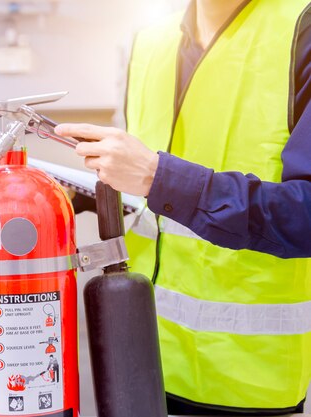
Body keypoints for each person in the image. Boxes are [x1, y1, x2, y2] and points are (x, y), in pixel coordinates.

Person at [56, 0, 311, 415]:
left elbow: (306, 216)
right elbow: (145, 192)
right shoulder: (146, 42)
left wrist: (159, 177)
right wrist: (76, 191)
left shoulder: (301, 26)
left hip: (245, 382)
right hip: (137, 357)